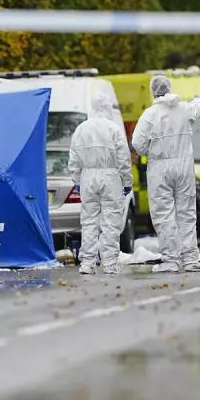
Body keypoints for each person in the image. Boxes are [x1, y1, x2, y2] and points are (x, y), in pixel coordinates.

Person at [131, 75, 200, 273]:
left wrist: (150, 151)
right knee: (187, 213)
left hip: (160, 168)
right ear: (169, 88)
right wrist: (198, 99)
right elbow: (197, 108)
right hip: (184, 167)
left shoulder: (150, 114)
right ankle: (190, 259)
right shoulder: (184, 109)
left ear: (153, 91)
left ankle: (171, 260)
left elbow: (138, 144)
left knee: (164, 214)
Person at [68, 93, 133, 275]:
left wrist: (77, 180)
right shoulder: (113, 129)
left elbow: (73, 159)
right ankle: (110, 263)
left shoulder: (81, 129)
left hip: (88, 178)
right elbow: (123, 158)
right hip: (110, 177)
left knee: (89, 222)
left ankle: (87, 263)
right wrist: (126, 181)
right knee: (110, 222)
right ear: (107, 108)